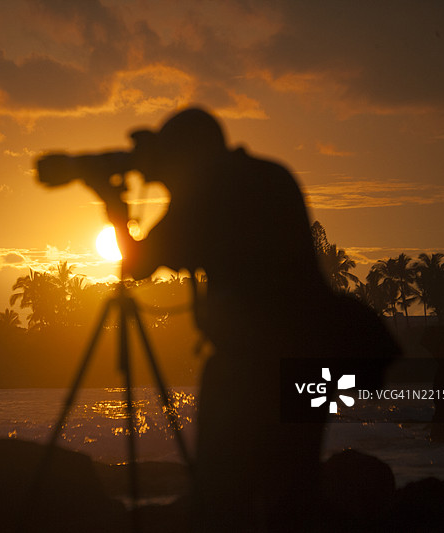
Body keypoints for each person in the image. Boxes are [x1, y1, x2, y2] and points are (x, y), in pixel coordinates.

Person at [101, 107, 400, 531]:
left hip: (248, 366)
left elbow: (138, 263)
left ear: (188, 157)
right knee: (293, 491)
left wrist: (115, 206)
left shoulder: (209, 193)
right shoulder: (270, 176)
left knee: (223, 496)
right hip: (310, 357)